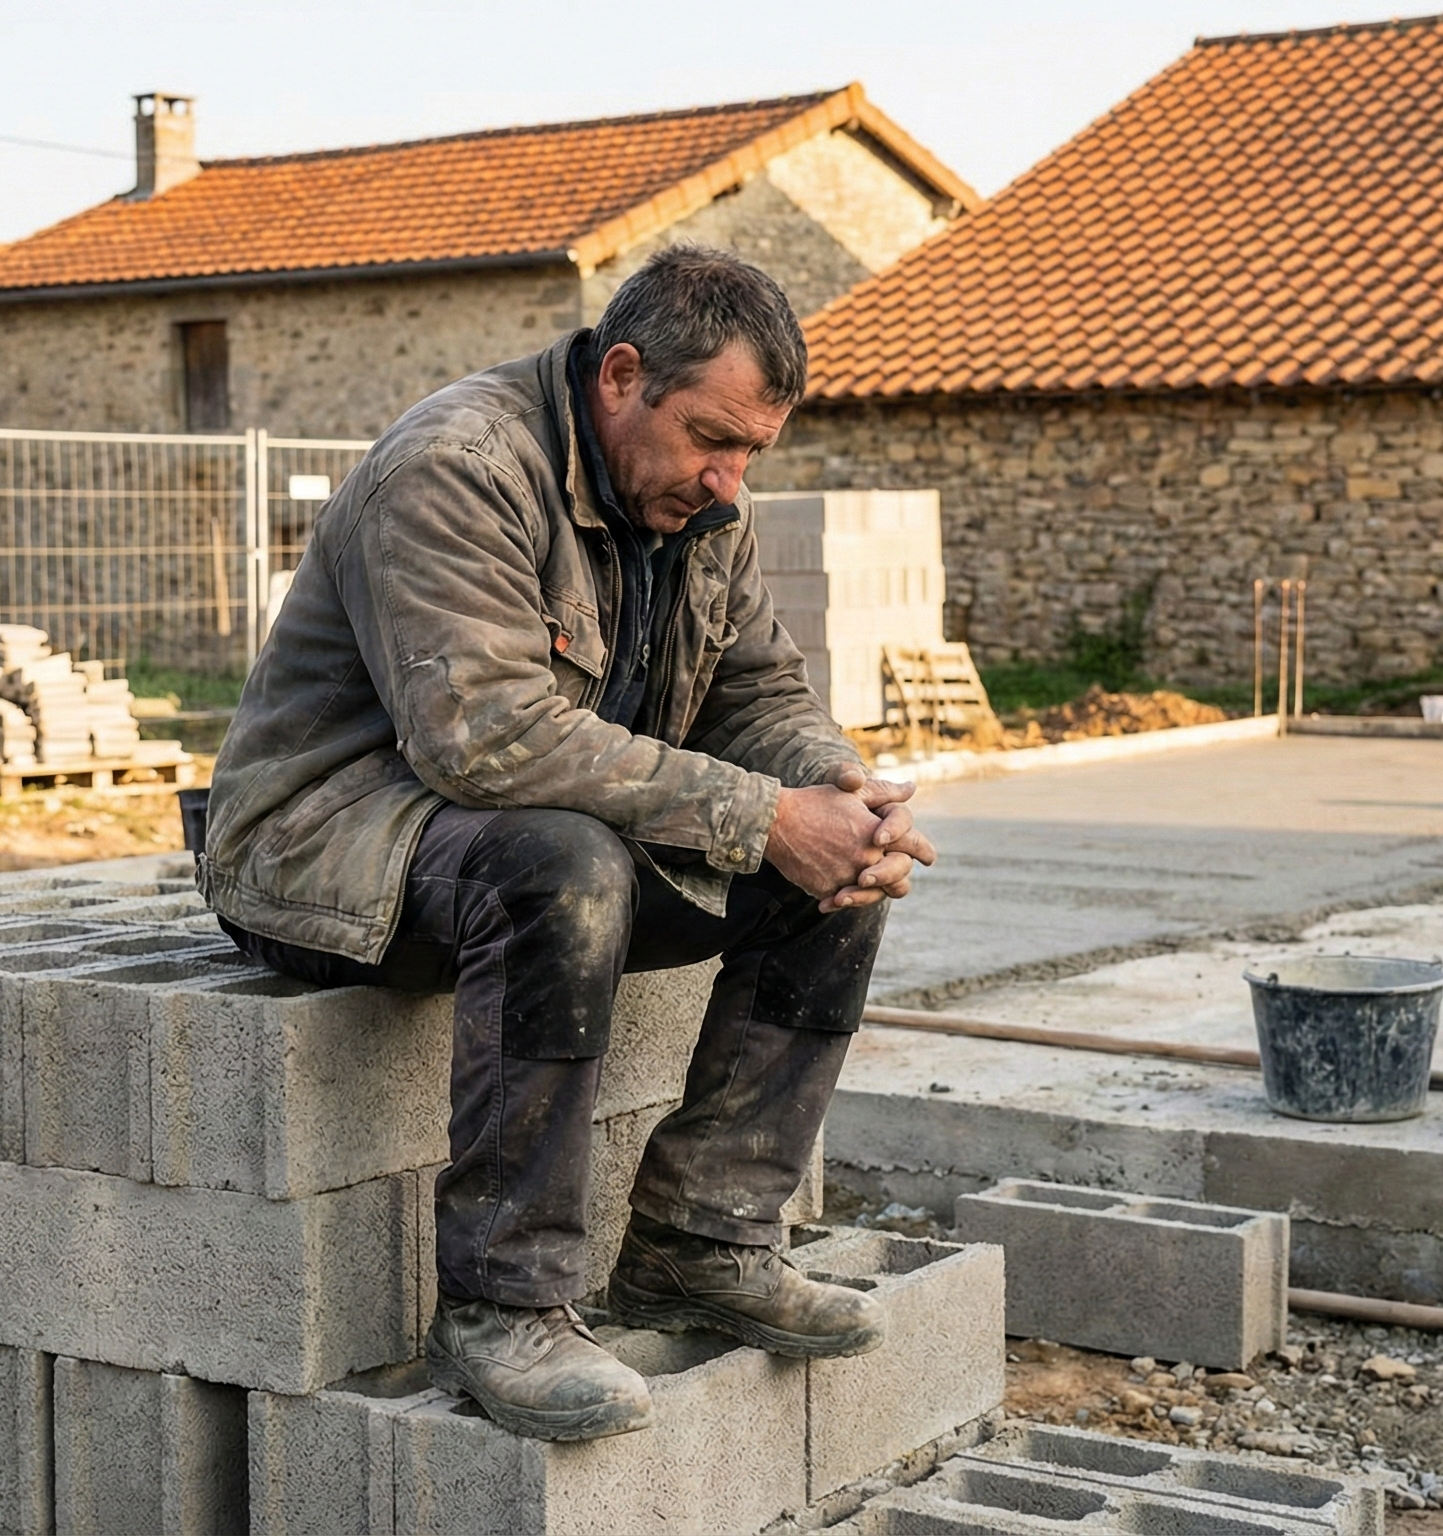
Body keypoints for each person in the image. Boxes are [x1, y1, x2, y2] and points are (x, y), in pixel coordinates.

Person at [200, 244, 935, 1443]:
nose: (728, 479)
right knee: (567, 867)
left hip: (529, 831)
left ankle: (703, 1243)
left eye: (751, 451)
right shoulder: (459, 468)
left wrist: (837, 793)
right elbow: (484, 740)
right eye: (711, 438)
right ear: (621, 375)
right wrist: (760, 817)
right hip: (323, 849)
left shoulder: (698, 506)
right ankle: (503, 1306)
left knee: (833, 876)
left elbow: (757, 693)